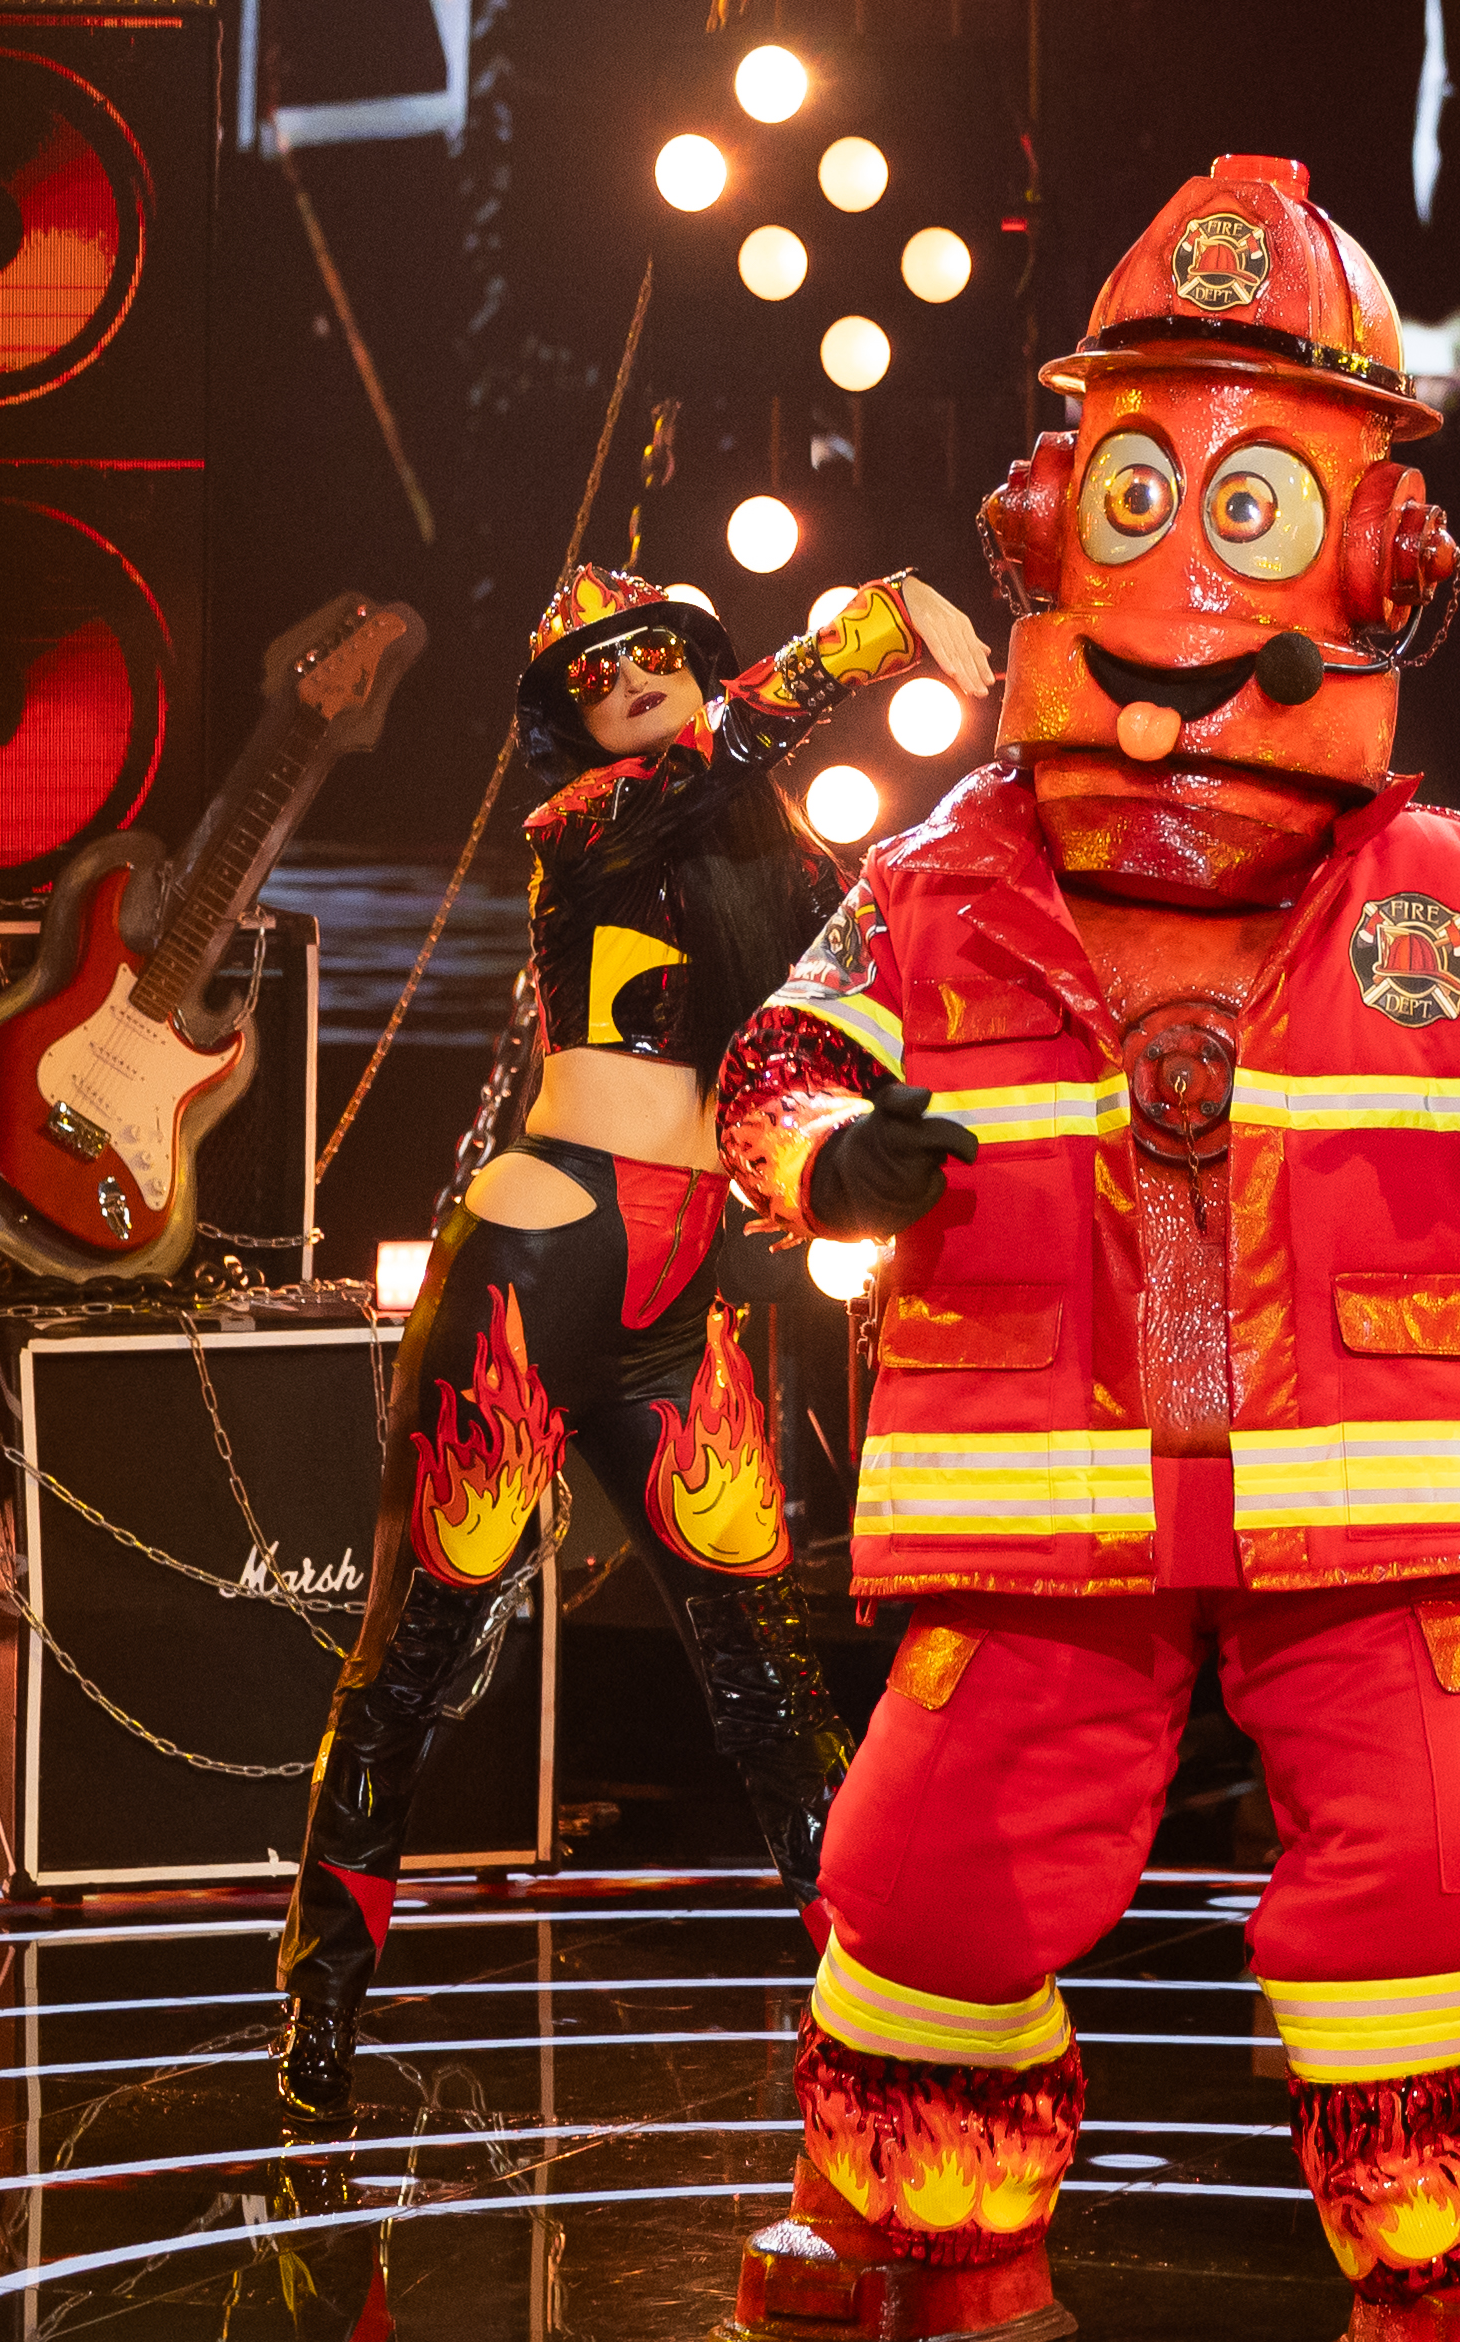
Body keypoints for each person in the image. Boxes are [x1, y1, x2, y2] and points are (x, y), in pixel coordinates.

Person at [714, 155, 1460, 2342]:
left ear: (1374, 553)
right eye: (1146, 490)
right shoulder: (939, 879)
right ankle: (911, 2208)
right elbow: (780, 1064)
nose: (1187, 569)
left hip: (1366, 1490)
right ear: (1052, 517)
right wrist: (827, 1148)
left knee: (1443, 1865)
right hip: (1036, 1479)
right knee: (936, 1853)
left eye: (1249, 504)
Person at [267, 559, 993, 2116]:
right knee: (412, 1656)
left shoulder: (790, 865)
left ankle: (876, 2023)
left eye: (653, 650)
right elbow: (724, 747)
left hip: (681, 1303)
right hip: (537, 1275)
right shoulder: (580, 823)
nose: (631, 677)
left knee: (768, 1678)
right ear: (569, 720)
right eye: (595, 673)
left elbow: (886, 976)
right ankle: (317, 2016)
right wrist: (866, 635)